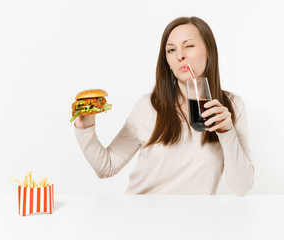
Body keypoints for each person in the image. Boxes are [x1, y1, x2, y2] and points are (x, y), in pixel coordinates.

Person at [73, 16, 254, 195]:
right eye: (171, 50)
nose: (180, 55)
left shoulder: (231, 106)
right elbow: (107, 167)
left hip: (195, 221)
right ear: (167, 62)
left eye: (189, 46)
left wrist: (227, 132)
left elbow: (242, 187)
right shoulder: (148, 106)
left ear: (209, 51)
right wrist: (84, 126)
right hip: (141, 217)